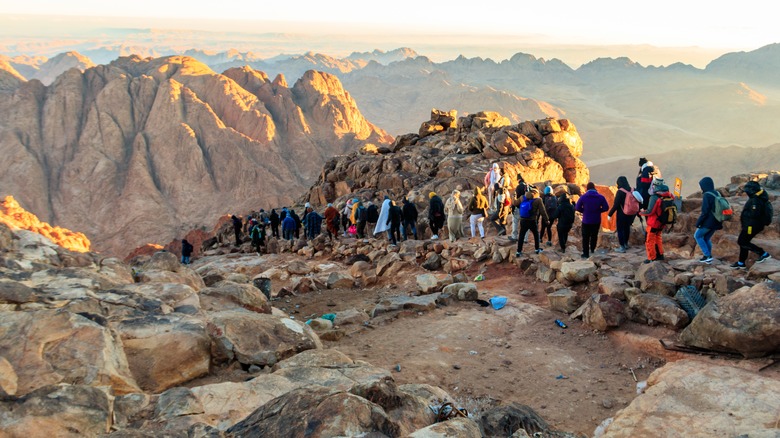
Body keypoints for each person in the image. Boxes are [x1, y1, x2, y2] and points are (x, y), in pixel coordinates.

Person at [731, 181, 773, 268]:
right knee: (744, 243)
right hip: (752, 224)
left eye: (747, 191)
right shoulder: (759, 197)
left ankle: (763, 253)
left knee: (742, 241)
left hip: (751, 226)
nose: (746, 192)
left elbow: (755, 214)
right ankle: (741, 263)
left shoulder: (755, 200)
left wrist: (745, 214)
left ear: (751, 190)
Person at [639, 179, 674, 263]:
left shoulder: (654, 197)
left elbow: (650, 211)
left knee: (649, 240)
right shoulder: (669, 195)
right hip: (662, 221)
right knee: (658, 238)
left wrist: (640, 212)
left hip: (654, 222)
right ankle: (660, 255)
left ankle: (652, 258)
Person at [575, 182, 610, 259]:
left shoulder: (583, 197)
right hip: (596, 220)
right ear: (594, 188)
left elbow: (577, 207)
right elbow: (606, 207)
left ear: (587, 188)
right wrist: (599, 210)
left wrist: (584, 210)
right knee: (594, 235)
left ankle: (585, 253)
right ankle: (592, 249)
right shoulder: (600, 197)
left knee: (585, 237)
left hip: (586, 220)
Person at [694, 176, 723, 264]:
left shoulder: (707, 195)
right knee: (706, 238)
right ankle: (708, 256)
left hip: (708, 222)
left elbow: (705, 212)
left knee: (697, 236)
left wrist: (699, 222)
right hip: (717, 220)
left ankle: (707, 255)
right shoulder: (717, 193)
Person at [607, 176, 638, 253]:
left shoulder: (620, 191)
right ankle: (626, 244)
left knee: (620, 229)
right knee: (627, 228)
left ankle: (622, 246)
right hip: (631, 213)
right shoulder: (633, 190)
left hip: (622, 214)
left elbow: (616, 205)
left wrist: (610, 214)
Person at [515, 187, 549, 256]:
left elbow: (515, 203)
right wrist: (547, 219)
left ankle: (518, 251)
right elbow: (543, 211)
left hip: (523, 220)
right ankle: (537, 249)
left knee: (521, 235)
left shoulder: (522, 198)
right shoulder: (538, 200)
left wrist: (514, 197)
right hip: (532, 221)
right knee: (536, 235)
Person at [509, 175, 529, 242]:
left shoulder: (519, 187)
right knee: (526, 223)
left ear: (518, 180)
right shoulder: (527, 186)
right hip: (527, 207)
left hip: (519, 207)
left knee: (515, 221)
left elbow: (516, 198)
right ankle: (525, 239)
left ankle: (514, 237)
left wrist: (513, 206)